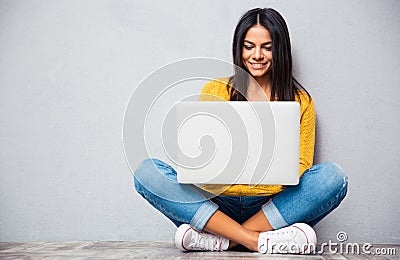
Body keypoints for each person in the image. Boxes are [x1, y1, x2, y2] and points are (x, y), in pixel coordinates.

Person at [134, 8, 348, 254]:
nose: (257, 55)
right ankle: (255, 241)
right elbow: (202, 164)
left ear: (280, 50)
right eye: (249, 46)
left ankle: (223, 239)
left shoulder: (301, 101)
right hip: (218, 204)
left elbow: (300, 167)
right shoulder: (216, 91)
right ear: (239, 48)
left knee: (332, 177)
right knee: (147, 173)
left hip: (272, 207)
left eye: (267, 47)